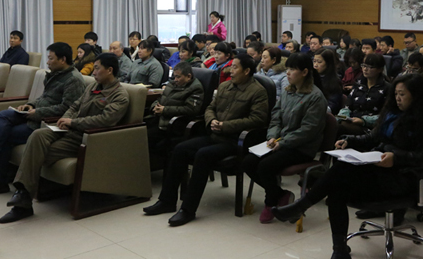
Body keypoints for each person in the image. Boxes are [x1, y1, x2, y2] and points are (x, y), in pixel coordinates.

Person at [271, 75, 423, 259]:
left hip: (403, 179)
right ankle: (339, 250)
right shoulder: (392, 112)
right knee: (337, 189)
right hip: (378, 171)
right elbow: (373, 137)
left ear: (417, 96)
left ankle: (301, 206)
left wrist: (396, 158)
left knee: (341, 173)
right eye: (396, 94)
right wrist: (350, 141)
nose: (397, 98)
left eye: (402, 94)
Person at [0, 53, 130, 223]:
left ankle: (22, 200)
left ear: (110, 70)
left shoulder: (119, 95)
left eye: (97, 68)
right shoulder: (93, 86)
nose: (94, 72)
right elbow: (75, 106)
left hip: (86, 138)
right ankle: (22, 195)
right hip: (68, 130)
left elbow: (105, 120)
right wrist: (65, 119)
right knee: (37, 135)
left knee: (36, 152)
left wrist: (73, 122)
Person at [143, 54, 268, 226]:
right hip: (215, 134)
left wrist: (225, 125)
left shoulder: (258, 91)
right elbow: (210, 108)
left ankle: (188, 209)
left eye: (235, 67)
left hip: (235, 141)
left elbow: (257, 120)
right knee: (180, 149)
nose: (230, 71)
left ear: (246, 71)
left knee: (202, 155)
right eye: (231, 67)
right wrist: (212, 121)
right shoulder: (225, 86)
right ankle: (167, 201)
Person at [0, 43, 85, 196]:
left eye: (51, 59)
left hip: (46, 122)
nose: (48, 62)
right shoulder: (55, 74)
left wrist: (37, 112)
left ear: (63, 59)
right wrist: (30, 105)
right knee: (4, 115)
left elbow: (68, 109)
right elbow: (44, 98)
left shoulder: (73, 80)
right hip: (35, 113)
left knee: (6, 135)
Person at [243, 53, 327, 223]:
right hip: (281, 142)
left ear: (304, 72)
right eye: (287, 68)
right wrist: (272, 136)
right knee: (248, 162)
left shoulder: (315, 97)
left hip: (302, 148)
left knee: (266, 166)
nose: (287, 72)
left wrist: (283, 142)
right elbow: (276, 117)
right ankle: (281, 195)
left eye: (292, 69)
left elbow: (308, 130)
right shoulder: (288, 91)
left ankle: (270, 202)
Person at [148, 61, 204, 153]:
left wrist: (165, 110)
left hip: (174, 125)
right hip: (160, 119)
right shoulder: (172, 83)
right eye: (174, 76)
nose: (175, 80)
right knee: (139, 132)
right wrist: (154, 106)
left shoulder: (195, 88)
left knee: (147, 139)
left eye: (178, 77)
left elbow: (191, 109)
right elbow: (160, 98)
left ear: (188, 76)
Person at [337, 53, 389, 136]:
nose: (365, 69)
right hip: (352, 120)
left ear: (380, 69)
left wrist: (363, 121)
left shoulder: (387, 88)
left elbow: (385, 115)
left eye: (370, 67)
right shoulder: (359, 84)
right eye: (364, 66)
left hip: (370, 127)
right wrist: (343, 116)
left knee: (340, 127)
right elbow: (347, 106)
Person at [313, 48, 344, 115]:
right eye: (314, 61)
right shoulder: (310, 78)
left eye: (319, 62)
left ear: (328, 64)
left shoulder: (335, 82)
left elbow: (332, 105)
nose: (315, 65)